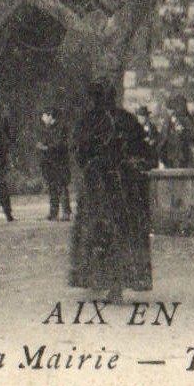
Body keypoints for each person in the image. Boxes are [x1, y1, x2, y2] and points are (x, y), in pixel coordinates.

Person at [69, 80, 156, 303]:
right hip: (123, 188)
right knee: (123, 232)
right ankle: (118, 284)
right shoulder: (127, 119)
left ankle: (99, 279)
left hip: (97, 187)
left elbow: (78, 153)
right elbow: (145, 153)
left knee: (96, 232)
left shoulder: (88, 121)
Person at [37, 107, 72, 221]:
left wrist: (46, 147)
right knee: (52, 187)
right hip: (48, 161)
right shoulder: (46, 128)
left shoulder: (61, 127)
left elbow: (60, 144)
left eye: (44, 115)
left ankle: (66, 213)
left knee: (61, 186)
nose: (42, 118)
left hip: (59, 161)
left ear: (50, 115)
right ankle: (53, 212)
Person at [157, 95, 194, 168]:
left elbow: (192, 136)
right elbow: (164, 137)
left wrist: (181, 131)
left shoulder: (186, 119)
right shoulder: (169, 120)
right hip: (170, 154)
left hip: (182, 154)